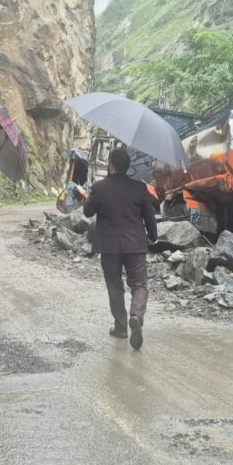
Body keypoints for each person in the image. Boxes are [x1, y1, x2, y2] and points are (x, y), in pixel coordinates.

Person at [83, 147, 158, 349]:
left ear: (111, 165)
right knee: (139, 285)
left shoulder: (99, 187)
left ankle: (121, 327)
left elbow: (88, 212)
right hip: (135, 244)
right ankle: (136, 316)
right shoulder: (139, 188)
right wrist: (153, 237)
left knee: (114, 286)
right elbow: (149, 216)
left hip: (109, 246)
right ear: (127, 166)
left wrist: (88, 196)